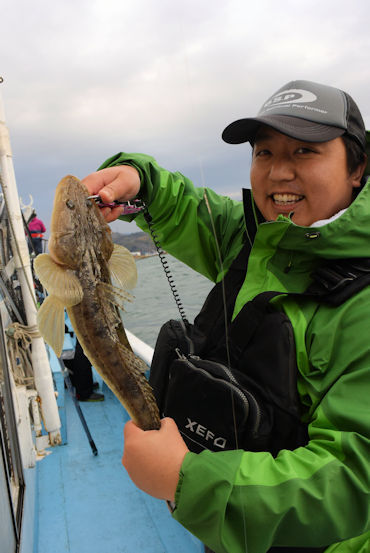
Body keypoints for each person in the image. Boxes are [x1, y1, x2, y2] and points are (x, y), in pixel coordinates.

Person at [81, 80, 370, 553]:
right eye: (263, 153)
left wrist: (189, 481)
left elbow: (355, 478)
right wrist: (138, 178)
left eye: (304, 152)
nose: (278, 173)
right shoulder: (256, 237)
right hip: (228, 522)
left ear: (357, 167)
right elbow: (186, 207)